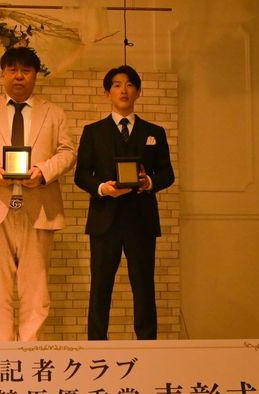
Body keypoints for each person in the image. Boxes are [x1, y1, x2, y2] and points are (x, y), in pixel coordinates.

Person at [0, 47, 75, 341]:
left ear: (35, 75)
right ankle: (1, 354)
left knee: (36, 289)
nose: (19, 76)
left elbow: (67, 151)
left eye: (26, 70)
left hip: (40, 207)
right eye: (12, 69)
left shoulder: (54, 113)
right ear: (3, 74)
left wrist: (43, 172)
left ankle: (30, 352)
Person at [74, 65, 175, 340]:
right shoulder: (93, 131)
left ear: (138, 91)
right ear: (107, 92)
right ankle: (96, 345)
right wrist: (102, 188)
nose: (123, 90)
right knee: (100, 286)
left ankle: (147, 345)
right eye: (117, 85)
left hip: (141, 220)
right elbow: (81, 174)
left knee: (143, 286)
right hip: (104, 219)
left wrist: (148, 182)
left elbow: (167, 173)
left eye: (130, 84)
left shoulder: (154, 132)